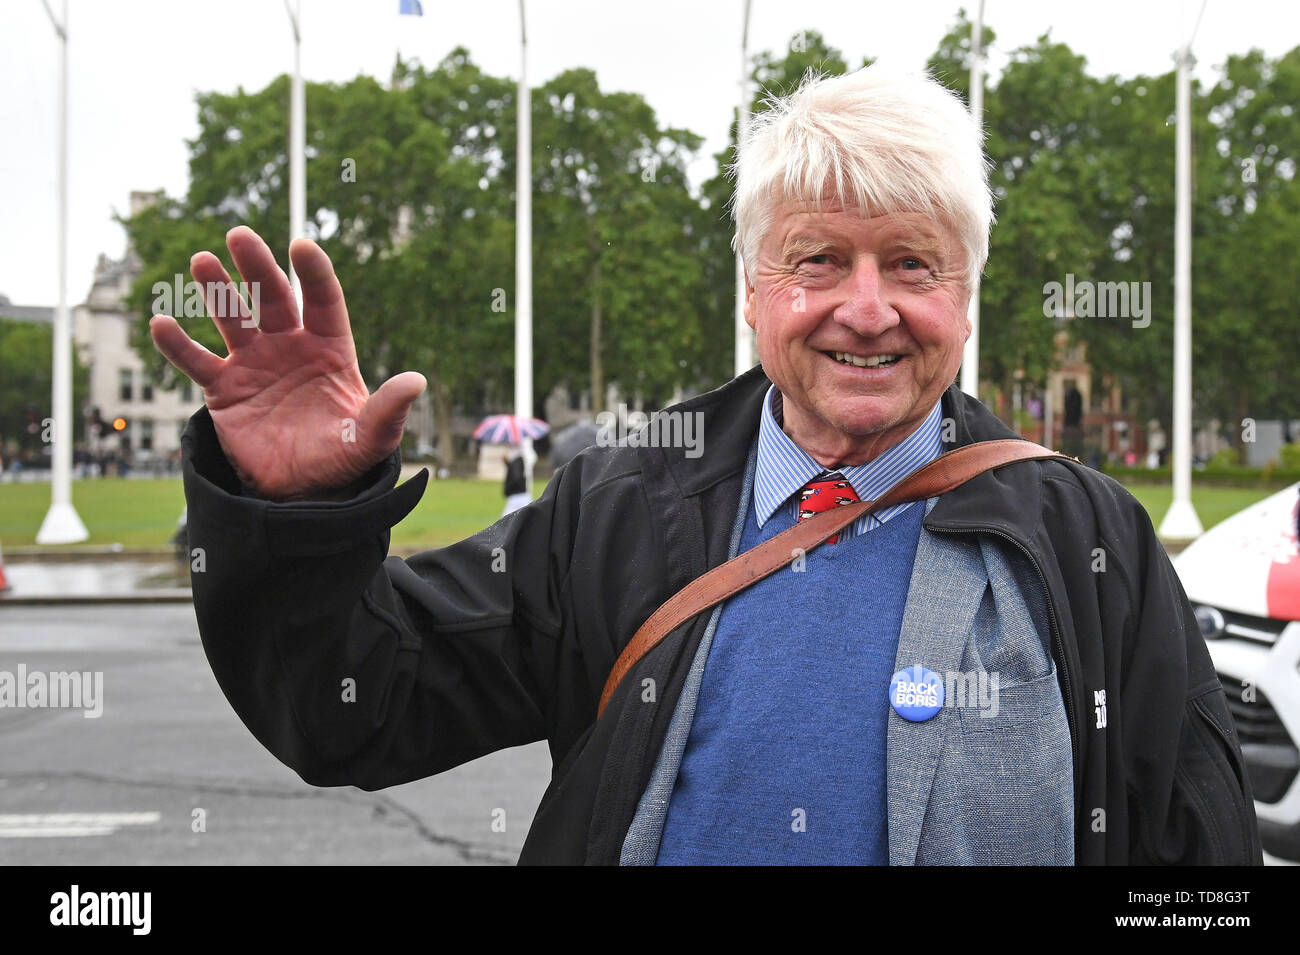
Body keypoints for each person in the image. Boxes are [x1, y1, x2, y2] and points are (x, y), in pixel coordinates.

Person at [149, 63, 1259, 865]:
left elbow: (1198, 850)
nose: (864, 310)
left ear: (963, 296)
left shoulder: (1088, 536)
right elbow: (356, 708)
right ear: (752, 292)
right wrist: (293, 513)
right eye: (816, 259)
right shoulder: (619, 498)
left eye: (911, 262)